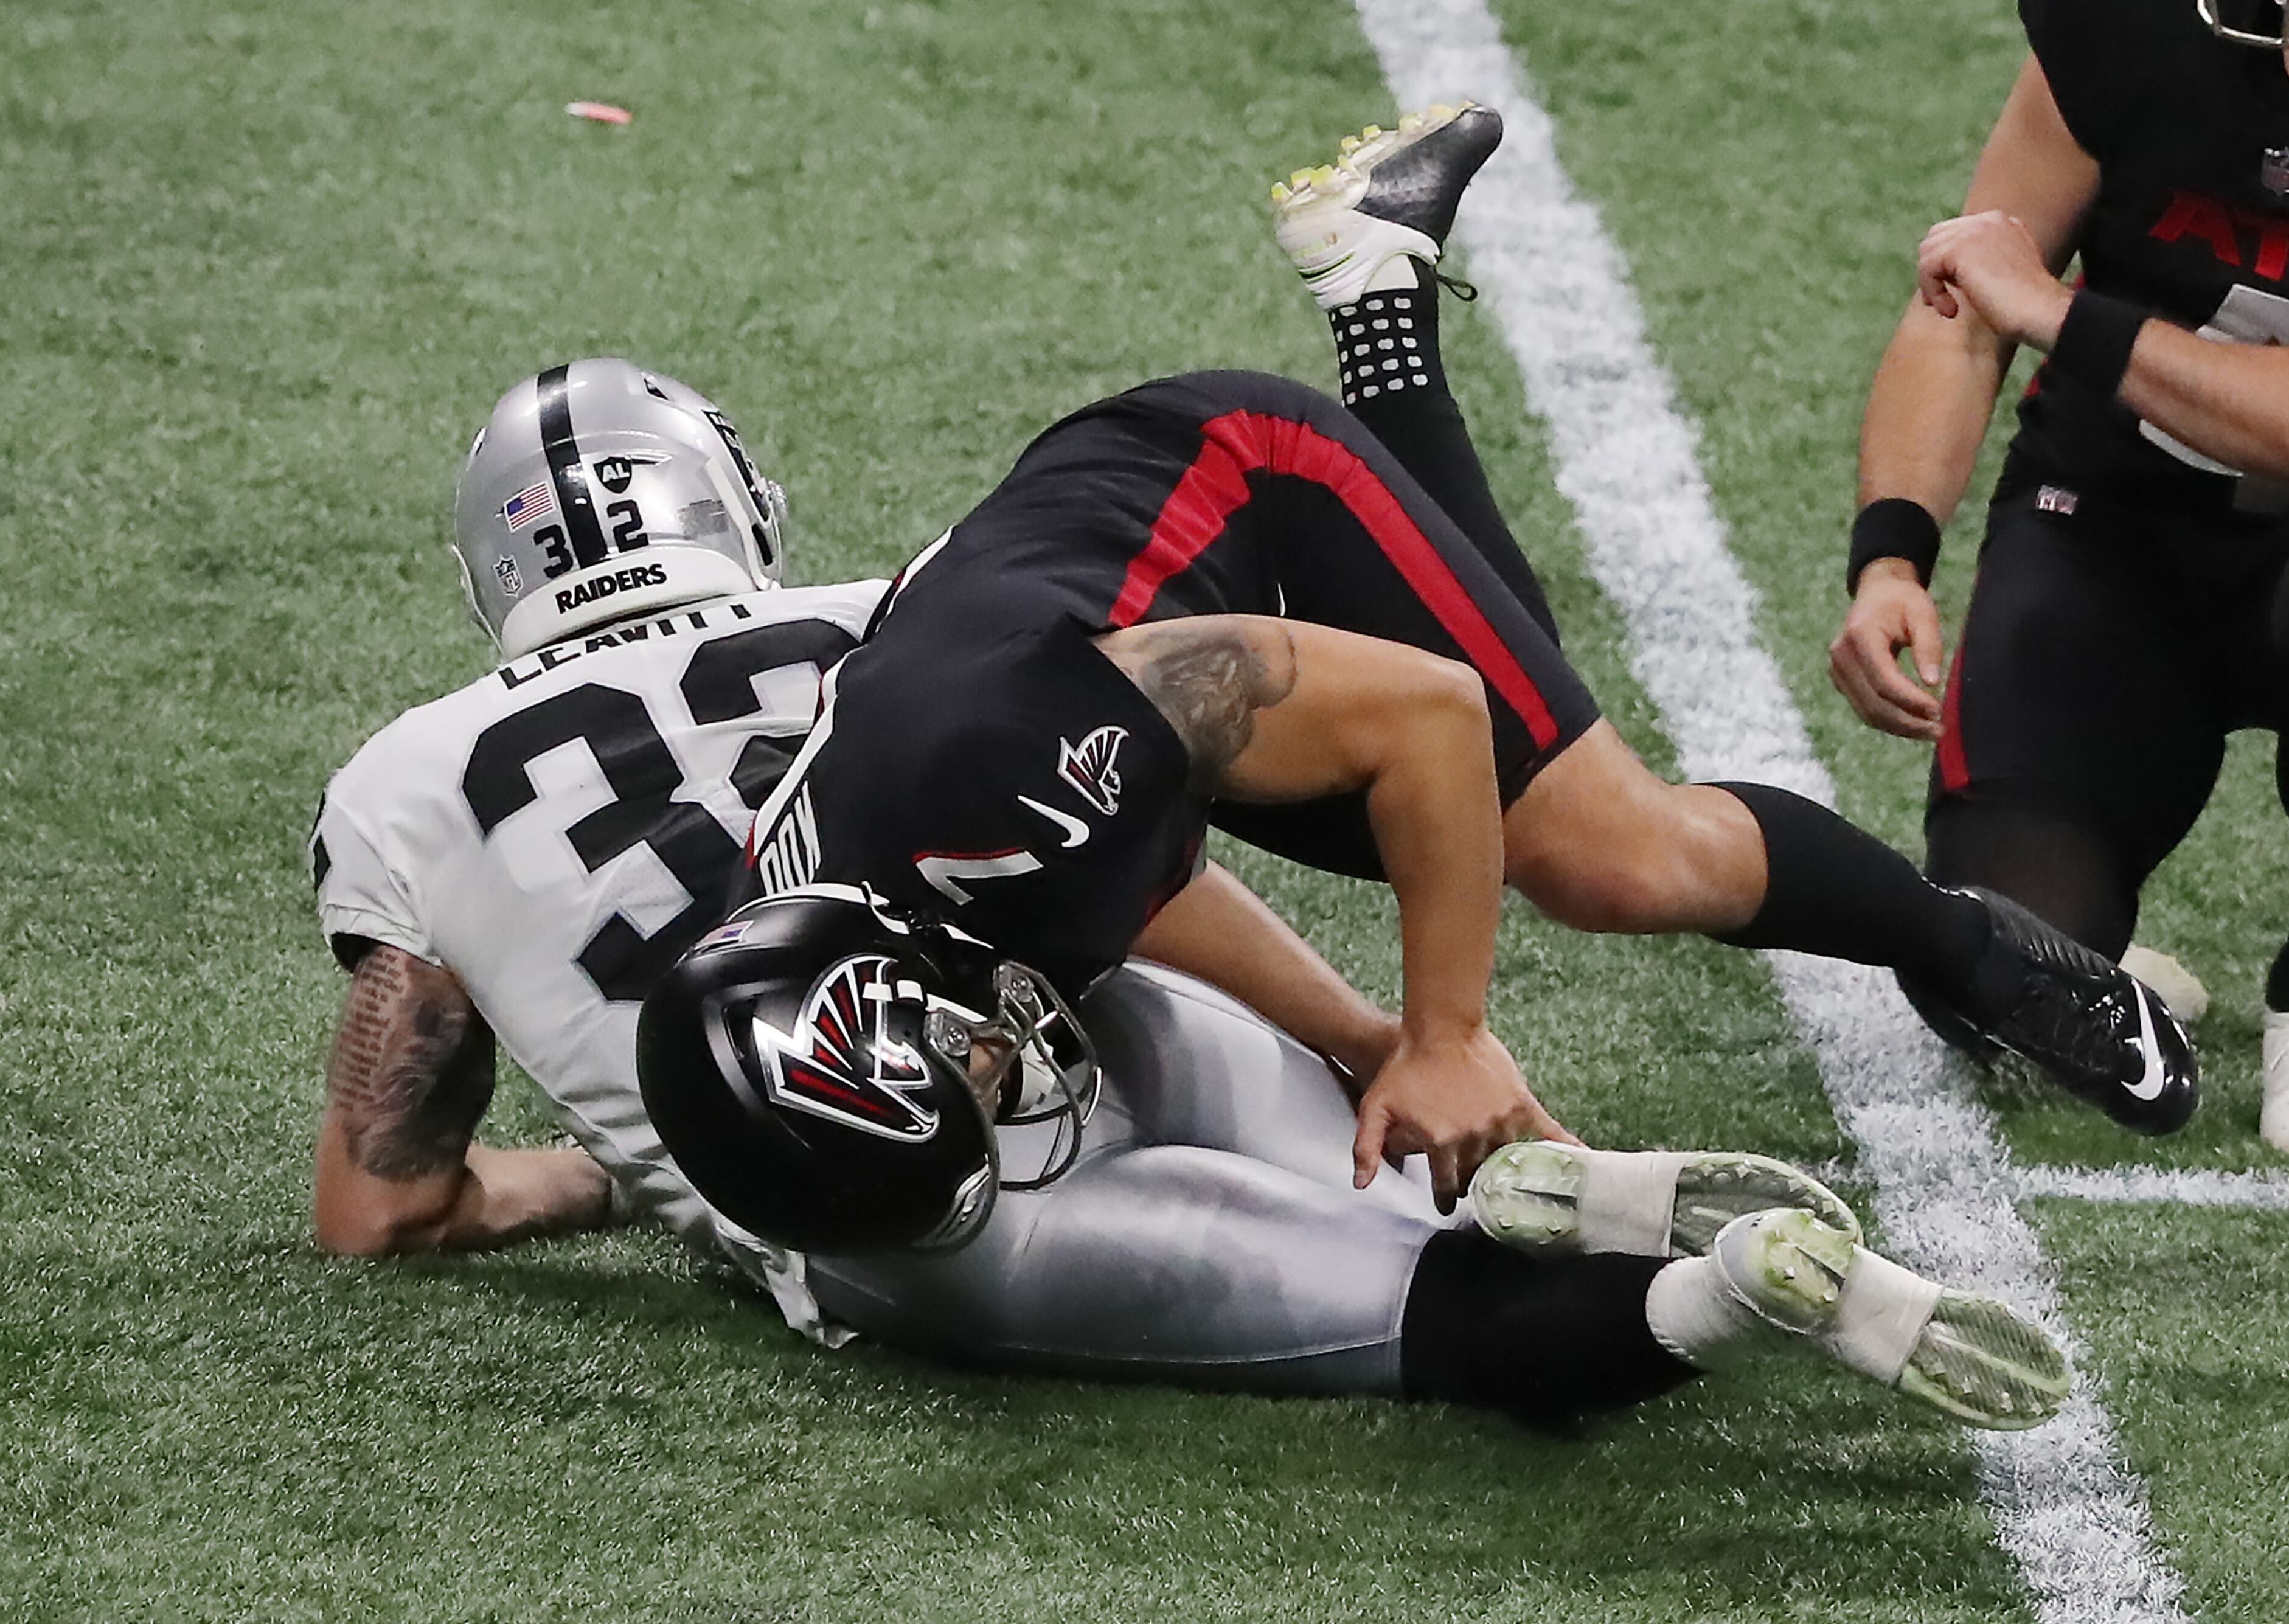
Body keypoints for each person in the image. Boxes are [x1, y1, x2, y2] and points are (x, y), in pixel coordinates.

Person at [311, 358, 2067, 1435]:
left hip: (889, 1207)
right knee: (1421, 1198)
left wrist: (620, 1163)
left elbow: (385, 1204)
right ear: (725, 498)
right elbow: (1117, 872)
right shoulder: (888, 620)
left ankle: (1719, 1293)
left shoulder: (406, 779)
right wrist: (1387, 1031)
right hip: (1071, 998)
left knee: (1426, 1330)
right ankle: (1606, 1196)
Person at [690, 99, 2192, 1265]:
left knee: (1613, 853)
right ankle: (1378, 283)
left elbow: (1428, 716)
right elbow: (1121, 861)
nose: (1000, 1082)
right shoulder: (879, 882)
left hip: (1236, 487)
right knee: (1530, 714)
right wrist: (1363, 1041)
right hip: (1086, 636)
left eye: (971, 1073)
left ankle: (1983, 958)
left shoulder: (995, 780)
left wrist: (1447, 1035)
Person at [1829, 0, 2289, 1151]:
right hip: (2122, 518)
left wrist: (2069, 317)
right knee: (1999, 966)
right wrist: (1891, 556)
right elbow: (1964, 296)